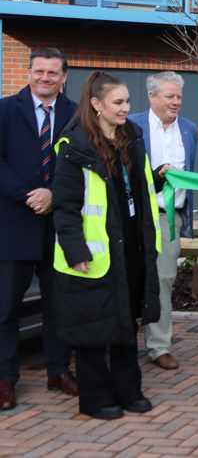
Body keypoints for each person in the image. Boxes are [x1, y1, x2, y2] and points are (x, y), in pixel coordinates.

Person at [52, 71, 162, 420]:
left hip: (130, 251)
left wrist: (160, 177)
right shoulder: (75, 147)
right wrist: (76, 251)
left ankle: (129, 390)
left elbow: (137, 191)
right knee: (94, 329)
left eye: (128, 101)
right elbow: (65, 206)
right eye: (118, 102)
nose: (126, 108)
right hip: (93, 257)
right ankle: (96, 398)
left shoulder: (133, 138)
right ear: (96, 105)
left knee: (126, 325)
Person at [0, 48, 78, 410]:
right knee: (5, 309)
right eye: (39, 71)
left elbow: (81, 164)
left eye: (53, 72)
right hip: (14, 223)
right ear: (29, 73)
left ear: (64, 77)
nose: (45, 77)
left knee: (58, 304)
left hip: (59, 224)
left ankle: (58, 370)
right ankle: (5, 380)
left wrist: (53, 193)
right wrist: (29, 196)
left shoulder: (77, 114)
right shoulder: (4, 110)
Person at [127, 71, 198, 372]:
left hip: (169, 219)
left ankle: (159, 346)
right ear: (152, 97)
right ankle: (124, 342)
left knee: (164, 280)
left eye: (179, 96)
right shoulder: (131, 126)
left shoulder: (190, 130)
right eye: (169, 96)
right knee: (129, 279)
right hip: (135, 218)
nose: (176, 101)